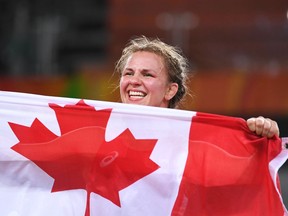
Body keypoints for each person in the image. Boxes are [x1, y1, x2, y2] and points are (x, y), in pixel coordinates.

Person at [114, 35, 280, 138]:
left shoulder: (193, 140)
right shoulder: (96, 133)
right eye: (128, 73)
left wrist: (260, 135)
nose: (134, 81)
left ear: (170, 90)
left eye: (147, 74)